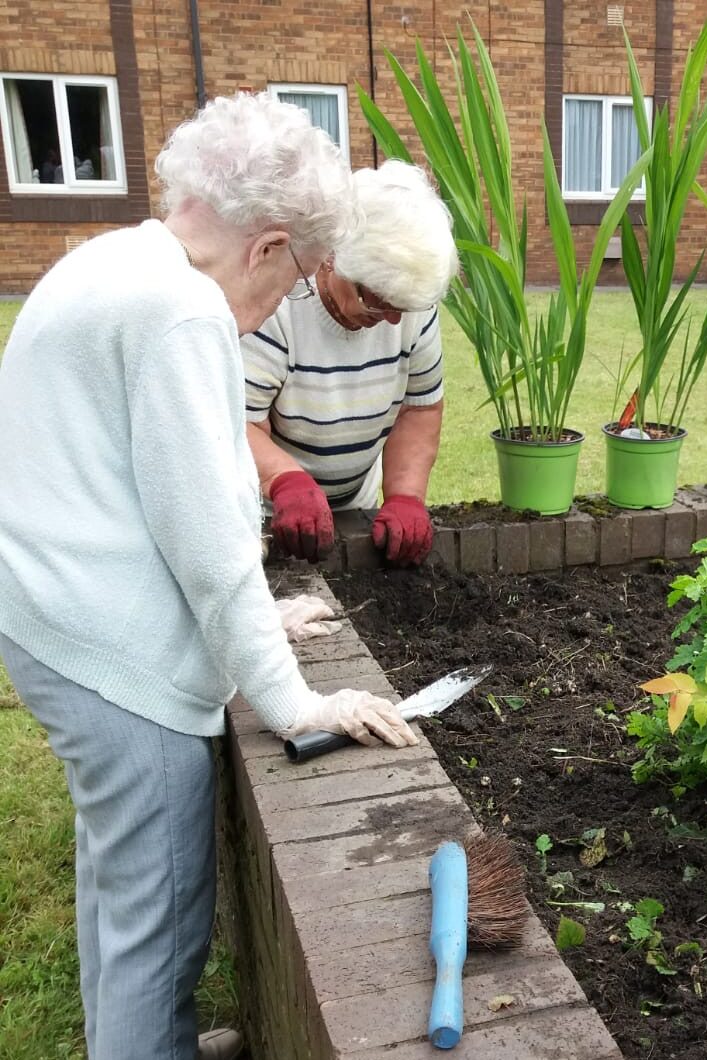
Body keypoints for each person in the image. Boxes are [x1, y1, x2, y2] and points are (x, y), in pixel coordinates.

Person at [0, 94, 422, 1060]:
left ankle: (142, 1039)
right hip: (108, 655)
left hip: (48, 613)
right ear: (270, 244)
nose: (278, 305)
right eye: (291, 280)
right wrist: (292, 698)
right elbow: (206, 536)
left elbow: (140, 489)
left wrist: (262, 620)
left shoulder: (116, 259)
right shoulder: (182, 310)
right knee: (164, 906)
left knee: (120, 882)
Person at [242, 160, 457, 565]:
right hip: (272, 517)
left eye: (402, 308)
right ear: (333, 258)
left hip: (354, 511)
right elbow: (240, 424)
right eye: (375, 301)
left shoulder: (409, 303)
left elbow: (420, 408)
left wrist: (406, 496)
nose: (392, 320)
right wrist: (283, 481)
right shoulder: (277, 306)